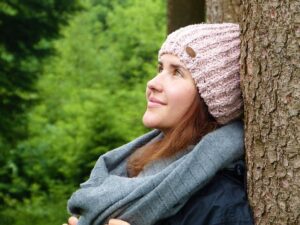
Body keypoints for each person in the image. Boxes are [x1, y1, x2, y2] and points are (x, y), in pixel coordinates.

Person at [64, 23, 254, 225]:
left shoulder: (220, 203)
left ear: (213, 99)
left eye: (177, 72)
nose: (152, 83)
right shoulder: (137, 166)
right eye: (160, 68)